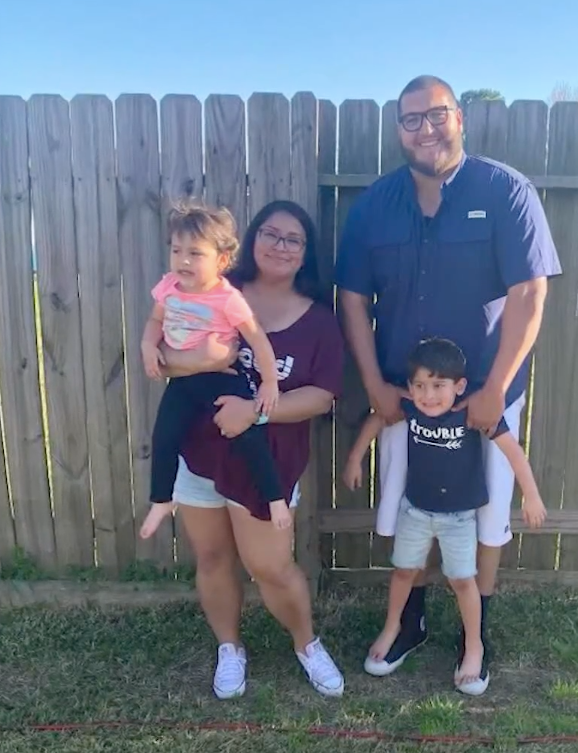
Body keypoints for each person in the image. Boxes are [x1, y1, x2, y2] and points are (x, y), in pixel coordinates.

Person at [335, 75, 562, 688]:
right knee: (404, 514)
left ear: (458, 117)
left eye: (435, 115)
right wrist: (377, 389)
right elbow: (352, 298)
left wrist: (494, 390)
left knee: (484, 522)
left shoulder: (505, 190)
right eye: (410, 120)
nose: (424, 129)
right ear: (398, 130)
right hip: (403, 404)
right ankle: (408, 625)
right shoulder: (375, 205)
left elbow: (530, 292)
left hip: (484, 404)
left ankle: (475, 635)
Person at [155, 199, 346, 700]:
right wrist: (210, 356)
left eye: (293, 239)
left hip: (268, 465)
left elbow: (321, 396)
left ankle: (306, 644)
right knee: (213, 557)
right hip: (199, 454)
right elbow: (167, 354)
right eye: (271, 234)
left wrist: (255, 411)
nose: (280, 246)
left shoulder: (319, 321)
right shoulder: (212, 291)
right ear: (249, 241)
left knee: (270, 567)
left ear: (306, 253)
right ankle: (230, 648)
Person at [343, 338, 545, 695]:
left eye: (438, 386)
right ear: (410, 388)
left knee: (463, 580)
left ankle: (473, 644)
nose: (429, 395)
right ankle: (392, 627)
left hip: (458, 519)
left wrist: (530, 495)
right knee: (404, 570)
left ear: (459, 386)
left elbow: (513, 452)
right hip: (415, 511)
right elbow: (377, 421)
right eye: (420, 386)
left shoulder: (470, 413)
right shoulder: (411, 409)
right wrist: (355, 458)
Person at [139, 200, 292, 538]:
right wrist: (148, 345)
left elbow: (258, 340)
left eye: (195, 253)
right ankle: (162, 499)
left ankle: (275, 498)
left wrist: (270, 383)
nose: (183, 260)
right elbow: (155, 321)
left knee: (249, 437)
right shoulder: (168, 288)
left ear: (221, 261)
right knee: (164, 436)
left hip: (222, 379)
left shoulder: (227, 298)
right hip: (183, 382)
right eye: (177, 251)